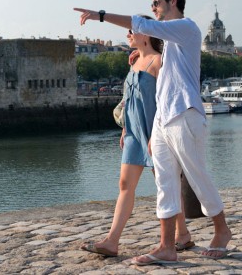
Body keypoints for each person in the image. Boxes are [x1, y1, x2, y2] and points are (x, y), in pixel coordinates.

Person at [74, 0, 231, 264]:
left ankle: (222, 230)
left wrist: (100, 15)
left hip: (185, 113)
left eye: (156, 3)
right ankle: (166, 246)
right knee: (166, 184)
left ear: (172, 1)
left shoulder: (187, 27)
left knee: (196, 175)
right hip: (164, 118)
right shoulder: (170, 43)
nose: (153, 9)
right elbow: (160, 75)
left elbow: (142, 26)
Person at [80, 16, 193, 257]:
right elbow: (129, 100)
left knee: (166, 186)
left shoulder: (159, 62)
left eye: (132, 31)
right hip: (132, 134)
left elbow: (165, 101)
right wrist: (124, 129)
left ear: (147, 34)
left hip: (155, 133)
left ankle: (182, 235)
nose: (128, 34)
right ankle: (112, 241)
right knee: (125, 185)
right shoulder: (134, 62)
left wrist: (157, 134)